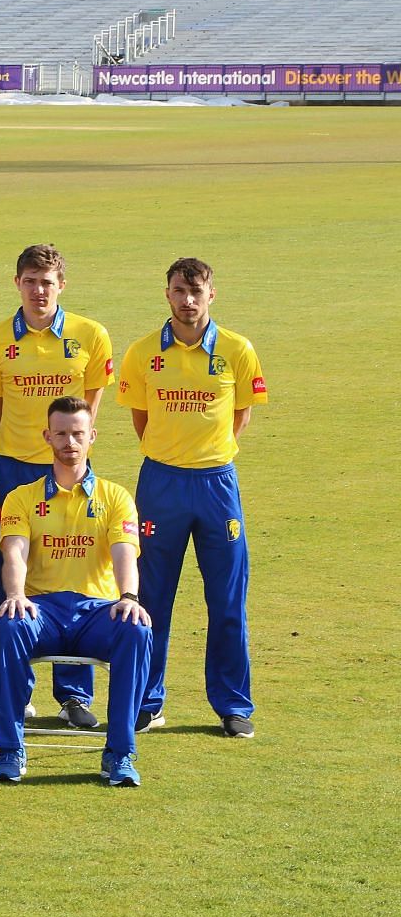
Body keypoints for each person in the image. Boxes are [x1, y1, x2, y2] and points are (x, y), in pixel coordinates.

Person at [117, 257, 266, 738]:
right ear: (167, 294)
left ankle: (232, 704)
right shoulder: (143, 354)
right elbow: (142, 420)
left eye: (196, 291)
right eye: (180, 290)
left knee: (226, 599)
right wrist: (173, 454)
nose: (188, 300)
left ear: (211, 294)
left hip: (216, 484)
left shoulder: (238, 351)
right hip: (161, 482)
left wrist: (206, 454)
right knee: (151, 597)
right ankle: (146, 700)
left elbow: (240, 415)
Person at [0, 244, 115, 730]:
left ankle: (74, 695)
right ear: (17, 283)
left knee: (75, 570)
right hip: (15, 468)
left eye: (47, 282)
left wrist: (66, 448)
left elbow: (88, 406)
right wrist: (28, 447)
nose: (38, 291)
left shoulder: (90, 336)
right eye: (30, 281)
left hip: (71, 470)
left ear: (61, 286)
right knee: (10, 573)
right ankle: (19, 690)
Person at [0, 397, 153, 786]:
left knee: (137, 630)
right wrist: (14, 595)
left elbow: (124, 554)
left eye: (78, 433)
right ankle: (11, 749)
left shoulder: (115, 497)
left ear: (92, 436)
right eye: (61, 433)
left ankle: (120, 754)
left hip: (96, 611)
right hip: (42, 610)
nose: (69, 442)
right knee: (9, 626)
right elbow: (14, 552)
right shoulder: (21, 497)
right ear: (47, 436)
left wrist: (129, 598)